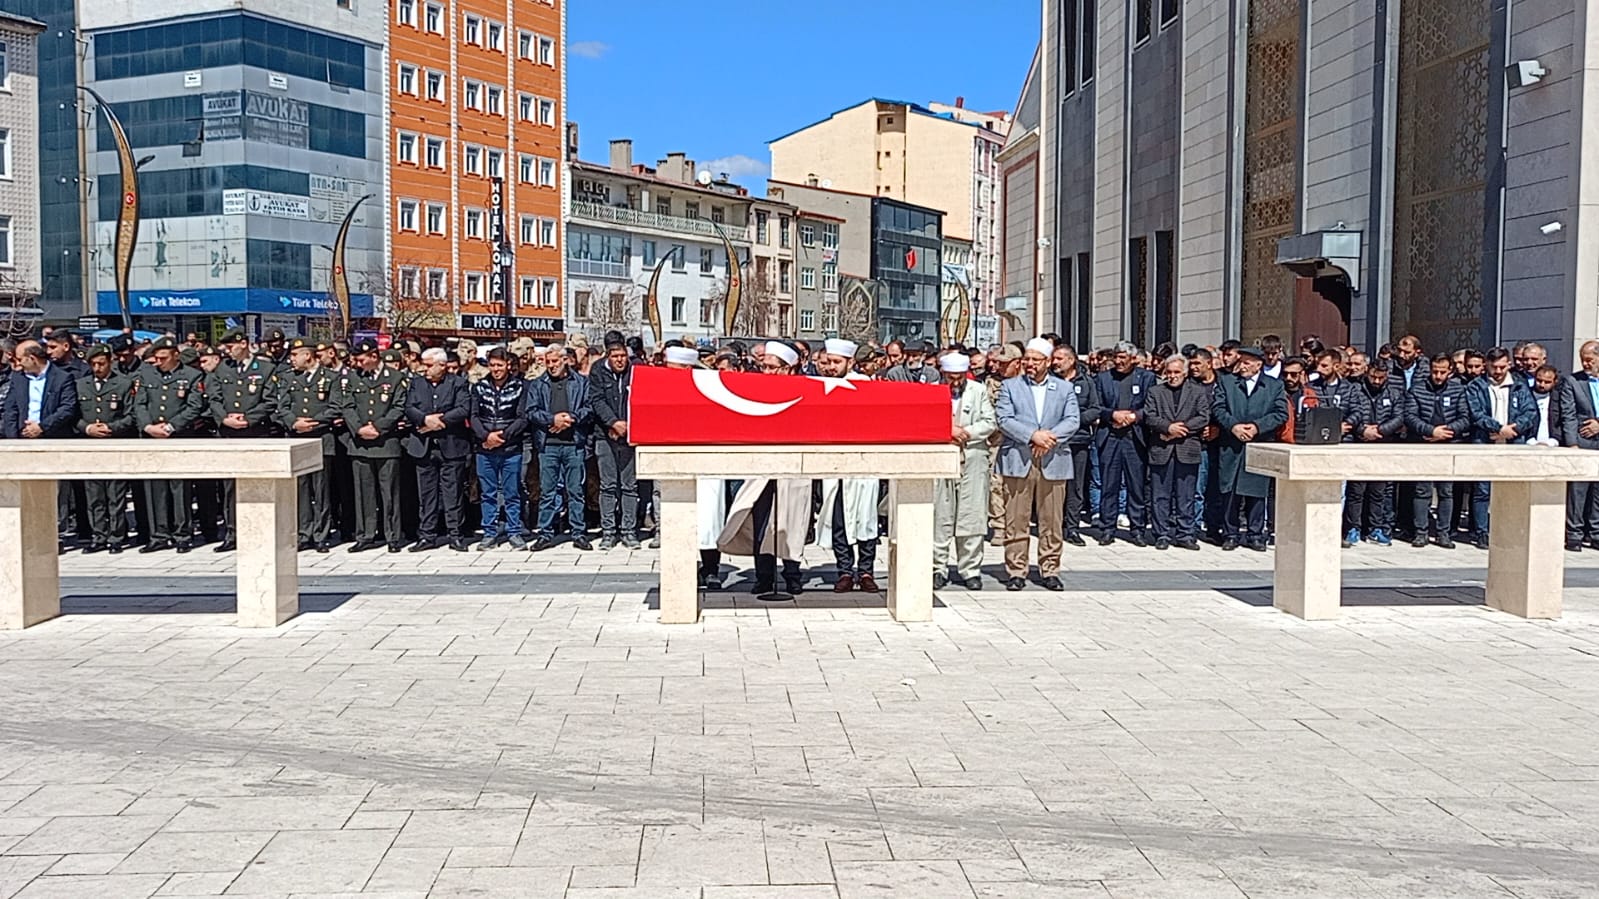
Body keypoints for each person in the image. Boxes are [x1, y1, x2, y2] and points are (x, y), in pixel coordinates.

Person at [718, 342, 812, 598]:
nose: (767, 372)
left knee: (791, 520)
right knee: (762, 521)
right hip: (761, 466)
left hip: (793, 465)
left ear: (788, 369)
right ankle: (763, 576)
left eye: (772, 367)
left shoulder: (805, 390)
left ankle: (792, 574)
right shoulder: (755, 388)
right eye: (764, 366)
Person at [995, 337, 1081, 591]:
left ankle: (1050, 568)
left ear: (1047, 362)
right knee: (1016, 518)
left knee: (1051, 519)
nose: (1030, 364)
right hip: (1019, 458)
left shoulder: (1063, 388)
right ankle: (1016, 569)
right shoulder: (1010, 386)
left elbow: (1072, 420)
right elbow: (1004, 418)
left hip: (1053, 458)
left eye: (1036, 360)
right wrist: (1033, 435)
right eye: (1027, 360)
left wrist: (1048, 439)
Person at [814, 339, 881, 593]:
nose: (831, 367)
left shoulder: (865, 386)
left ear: (850, 363)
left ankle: (865, 571)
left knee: (866, 517)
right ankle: (844, 570)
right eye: (828, 362)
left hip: (863, 462)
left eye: (836, 362)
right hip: (834, 462)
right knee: (839, 518)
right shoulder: (820, 386)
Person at [206, 329, 279, 553]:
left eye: (231, 347)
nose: (227, 351)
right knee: (230, 488)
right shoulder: (222, 369)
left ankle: (261, 531)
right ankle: (232, 533)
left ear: (244, 344)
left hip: (256, 433)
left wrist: (249, 418)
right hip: (229, 435)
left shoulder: (265, 369)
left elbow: (270, 400)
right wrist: (224, 418)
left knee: (259, 486)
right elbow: (214, 398)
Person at [132, 337, 205, 553]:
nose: (159, 362)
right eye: (156, 358)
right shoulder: (147, 375)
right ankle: (159, 534)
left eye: (163, 358)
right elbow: (140, 404)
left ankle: (183, 534)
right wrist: (147, 427)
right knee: (155, 487)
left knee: (179, 487)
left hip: (177, 437)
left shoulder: (191, 376)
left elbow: (194, 406)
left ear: (175, 355)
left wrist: (172, 426)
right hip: (152, 437)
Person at [1213, 346, 1287, 551]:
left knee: (1256, 491)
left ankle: (1255, 534)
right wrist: (1233, 425)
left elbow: (1281, 413)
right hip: (1232, 444)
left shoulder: (1274, 386)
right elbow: (1218, 408)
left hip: (1258, 444)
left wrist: (1257, 426)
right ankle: (1230, 533)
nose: (1242, 366)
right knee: (1230, 490)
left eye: (1246, 362)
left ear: (1258, 365)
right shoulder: (1228, 382)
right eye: (1241, 362)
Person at [1463, 347, 1537, 548]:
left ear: (1509, 365)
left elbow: (1530, 412)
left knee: (1512, 489)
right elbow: (1476, 414)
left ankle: (1510, 529)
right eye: (1494, 367)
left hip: (1513, 441)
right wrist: (1497, 428)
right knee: (1482, 490)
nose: (1498, 371)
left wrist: (1513, 429)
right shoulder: (1476, 386)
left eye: (1502, 367)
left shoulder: (1520, 386)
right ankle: (1482, 532)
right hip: (1485, 441)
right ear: (1487, 365)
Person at [934, 351, 995, 589]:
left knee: (972, 514)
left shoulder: (978, 391)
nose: (955, 382)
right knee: (940, 515)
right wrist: (947, 430)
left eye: (959, 377)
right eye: (951, 377)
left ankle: (970, 569)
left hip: (972, 456)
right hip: (942, 457)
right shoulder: (934, 390)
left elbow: (990, 422)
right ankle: (937, 567)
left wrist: (964, 433)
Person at [341, 344, 410, 553]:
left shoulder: (396, 378)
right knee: (364, 493)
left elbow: (399, 406)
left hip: (386, 443)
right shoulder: (354, 377)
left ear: (374, 356)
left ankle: (393, 535)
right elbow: (348, 405)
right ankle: (366, 535)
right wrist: (359, 429)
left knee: (389, 492)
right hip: (361, 444)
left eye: (362, 360)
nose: (359, 364)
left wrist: (379, 427)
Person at [275, 338, 342, 552]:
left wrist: (313, 422)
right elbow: (281, 406)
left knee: (321, 490)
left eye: (295, 355)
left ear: (308, 355)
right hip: (297, 438)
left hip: (321, 437)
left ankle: (321, 534)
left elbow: (335, 407)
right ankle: (304, 533)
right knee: (301, 488)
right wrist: (294, 422)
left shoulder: (330, 378)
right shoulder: (288, 379)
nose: (292, 360)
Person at [526, 343, 593, 552]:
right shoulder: (538, 384)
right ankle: (545, 533)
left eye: (555, 361)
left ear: (565, 360)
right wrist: (552, 419)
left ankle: (578, 533)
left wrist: (571, 418)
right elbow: (531, 411)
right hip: (548, 445)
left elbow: (589, 409)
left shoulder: (581, 382)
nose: (551, 366)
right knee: (548, 491)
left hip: (573, 444)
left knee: (575, 491)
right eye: (548, 362)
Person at [405, 347, 472, 552]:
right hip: (424, 447)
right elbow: (409, 407)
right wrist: (425, 419)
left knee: (453, 493)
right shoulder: (417, 383)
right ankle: (427, 535)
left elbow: (462, 409)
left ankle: (455, 534)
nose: (424, 369)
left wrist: (438, 421)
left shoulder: (458, 383)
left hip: (451, 445)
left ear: (442, 365)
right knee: (427, 494)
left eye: (428, 365)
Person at [1403, 354, 1471, 548]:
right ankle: (1421, 532)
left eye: (1442, 372)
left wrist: (1446, 432)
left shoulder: (1458, 390)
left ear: (1450, 371)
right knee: (1422, 490)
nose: (1438, 376)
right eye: (1435, 371)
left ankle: (1443, 533)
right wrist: (1430, 431)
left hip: (1448, 445)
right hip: (1423, 444)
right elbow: (1410, 416)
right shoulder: (1417, 389)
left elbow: (1465, 417)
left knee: (1446, 491)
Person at [1093, 341, 1157, 545]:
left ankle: (1137, 529)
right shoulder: (1103, 378)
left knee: (1136, 485)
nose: (1118, 361)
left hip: (1135, 437)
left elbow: (1152, 406)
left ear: (1133, 359)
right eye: (1116, 357)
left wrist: (1134, 416)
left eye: (1123, 358)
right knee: (1109, 485)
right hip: (1110, 436)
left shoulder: (1147, 378)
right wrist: (1113, 414)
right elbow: (1096, 407)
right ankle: (1107, 528)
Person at [73, 345, 135, 553]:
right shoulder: (81, 385)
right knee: (94, 494)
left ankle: (116, 536)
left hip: (114, 442)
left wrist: (112, 427)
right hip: (91, 445)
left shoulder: (123, 384)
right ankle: (98, 536)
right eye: (93, 364)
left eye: (101, 363)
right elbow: (74, 415)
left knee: (115, 494)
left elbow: (131, 415)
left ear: (110, 362)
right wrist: (87, 427)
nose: (97, 368)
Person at [1144, 355, 1210, 550]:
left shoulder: (1197, 392)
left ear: (1185, 372)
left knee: (1186, 495)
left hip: (1186, 449)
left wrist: (1180, 430)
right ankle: (1161, 533)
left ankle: (1185, 533)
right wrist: (1167, 427)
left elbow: (1203, 416)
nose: (1172, 376)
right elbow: (1150, 415)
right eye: (1169, 372)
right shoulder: (1156, 391)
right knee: (1160, 495)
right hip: (1161, 449)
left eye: (1176, 372)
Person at [469, 347, 529, 550]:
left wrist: (502, 436)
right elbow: (474, 416)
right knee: (488, 494)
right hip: (485, 448)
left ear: (508, 365)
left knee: (512, 493)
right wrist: (486, 436)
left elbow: (522, 418)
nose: (496, 369)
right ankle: (489, 533)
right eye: (492, 365)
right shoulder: (479, 387)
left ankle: (514, 531)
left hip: (511, 448)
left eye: (500, 365)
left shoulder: (520, 387)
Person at [1346, 359, 1407, 547]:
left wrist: (1380, 430)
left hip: (1382, 445)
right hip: (1359, 444)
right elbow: (1351, 413)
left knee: (1378, 491)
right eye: (1373, 376)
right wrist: (1362, 430)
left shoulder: (1394, 393)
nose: (1377, 381)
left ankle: (1375, 528)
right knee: (1357, 490)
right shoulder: (1355, 390)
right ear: (1367, 372)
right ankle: (1353, 528)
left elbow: (1399, 417)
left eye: (1381, 377)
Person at [590, 339, 639, 549]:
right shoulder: (598, 371)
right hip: (605, 434)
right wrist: (612, 423)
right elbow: (596, 400)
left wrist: (627, 425)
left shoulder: (636, 371)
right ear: (607, 356)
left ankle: (629, 531)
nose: (620, 360)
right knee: (608, 486)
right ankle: (608, 531)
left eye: (623, 356)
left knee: (629, 486)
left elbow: (639, 398)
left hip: (630, 434)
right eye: (615, 356)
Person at [1051, 344, 1101, 546]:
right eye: (1054, 358)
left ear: (1071, 360)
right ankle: (1053, 526)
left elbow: (1095, 409)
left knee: (1075, 486)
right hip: (1053, 441)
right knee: (1054, 487)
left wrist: (1072, 420)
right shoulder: (1049, 381)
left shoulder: (1087, 382)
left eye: (1059, 358)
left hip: (1078, 441)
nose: (1055, 362)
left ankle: (1072, 528)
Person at [2, 339, 78, 440]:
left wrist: (41, 427)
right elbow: (10, 409)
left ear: (32, 358)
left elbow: (67, 408)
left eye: (20, 359)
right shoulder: (18, 378)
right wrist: (13, 439)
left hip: (52, 438)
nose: (18, 364)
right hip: (22, 438)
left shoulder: (62, 378)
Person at [1565, 341, 1599, 550]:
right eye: (1583, 360)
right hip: (1582, 441)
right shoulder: (1573, 381)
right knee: (1578, 491)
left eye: (1590, 360)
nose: (1585, 364)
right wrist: (1572, 444)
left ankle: (1596, 532)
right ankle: (1574, 534)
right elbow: (1568, 414)